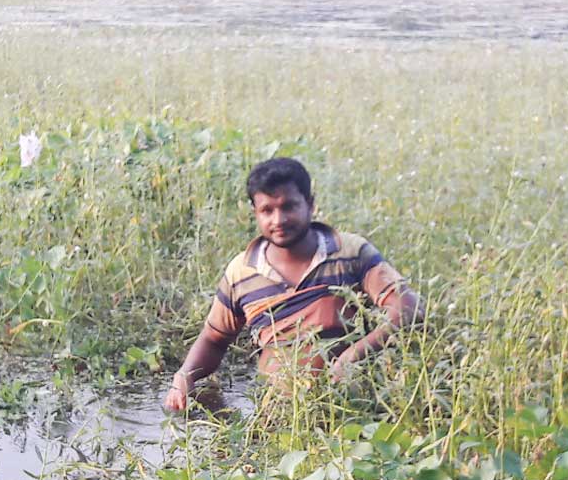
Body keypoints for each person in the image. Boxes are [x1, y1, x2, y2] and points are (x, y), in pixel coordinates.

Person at [164, 157, 421, 413]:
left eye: (289, 206)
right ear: (255, 212)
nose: (279, 220)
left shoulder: (350, 252)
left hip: (352, 406)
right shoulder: (241, 272)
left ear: (310, 205)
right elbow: (213, 339)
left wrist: (352, 356)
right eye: (267, 210)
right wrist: (184, 376)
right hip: (278, 413)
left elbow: (408, 307)